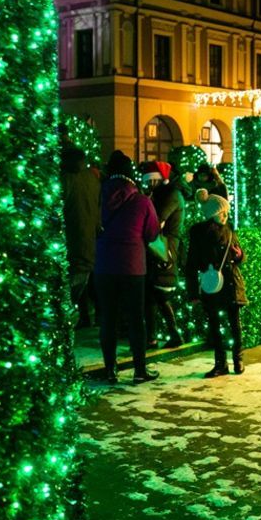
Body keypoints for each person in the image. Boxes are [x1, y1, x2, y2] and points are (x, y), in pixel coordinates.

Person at [95, 150, 161, 384]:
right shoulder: (141, 200)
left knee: (108, 319)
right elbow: (152, 233)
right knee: (135, 319)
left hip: (103, 264)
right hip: (133, 265)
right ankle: (139, 370)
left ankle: (110, 369)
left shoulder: (98, 196)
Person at [186, 191, 247, 377]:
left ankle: (238, 359)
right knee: (215, 324)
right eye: (222, 213)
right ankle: (221, 363)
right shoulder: (199, 234)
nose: (226, 216)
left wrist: (239, 256)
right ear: (212, 214)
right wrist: (193, 293)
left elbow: (239, 255)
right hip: (212, 283)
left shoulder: (229, 230)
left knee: (234, 323)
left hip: (230, 282)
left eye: (227, 213)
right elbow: (191, 264)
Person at [140, 160, 185, 349]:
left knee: (159, 293)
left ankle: (173, 335)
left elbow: (156, 220)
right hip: (159, 244)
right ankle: (154, 336)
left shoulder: (172, 195)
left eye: (152, 181)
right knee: (152, 294)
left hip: (165, 246)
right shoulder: (162, 193)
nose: (149, 185)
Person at [62, 143, 100, 330]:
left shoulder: (65, 178)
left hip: (72, 238)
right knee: (84, 280)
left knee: (73, 285)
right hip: (89, 238)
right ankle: (87, 317)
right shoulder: (91, 178)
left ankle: (69, 321)